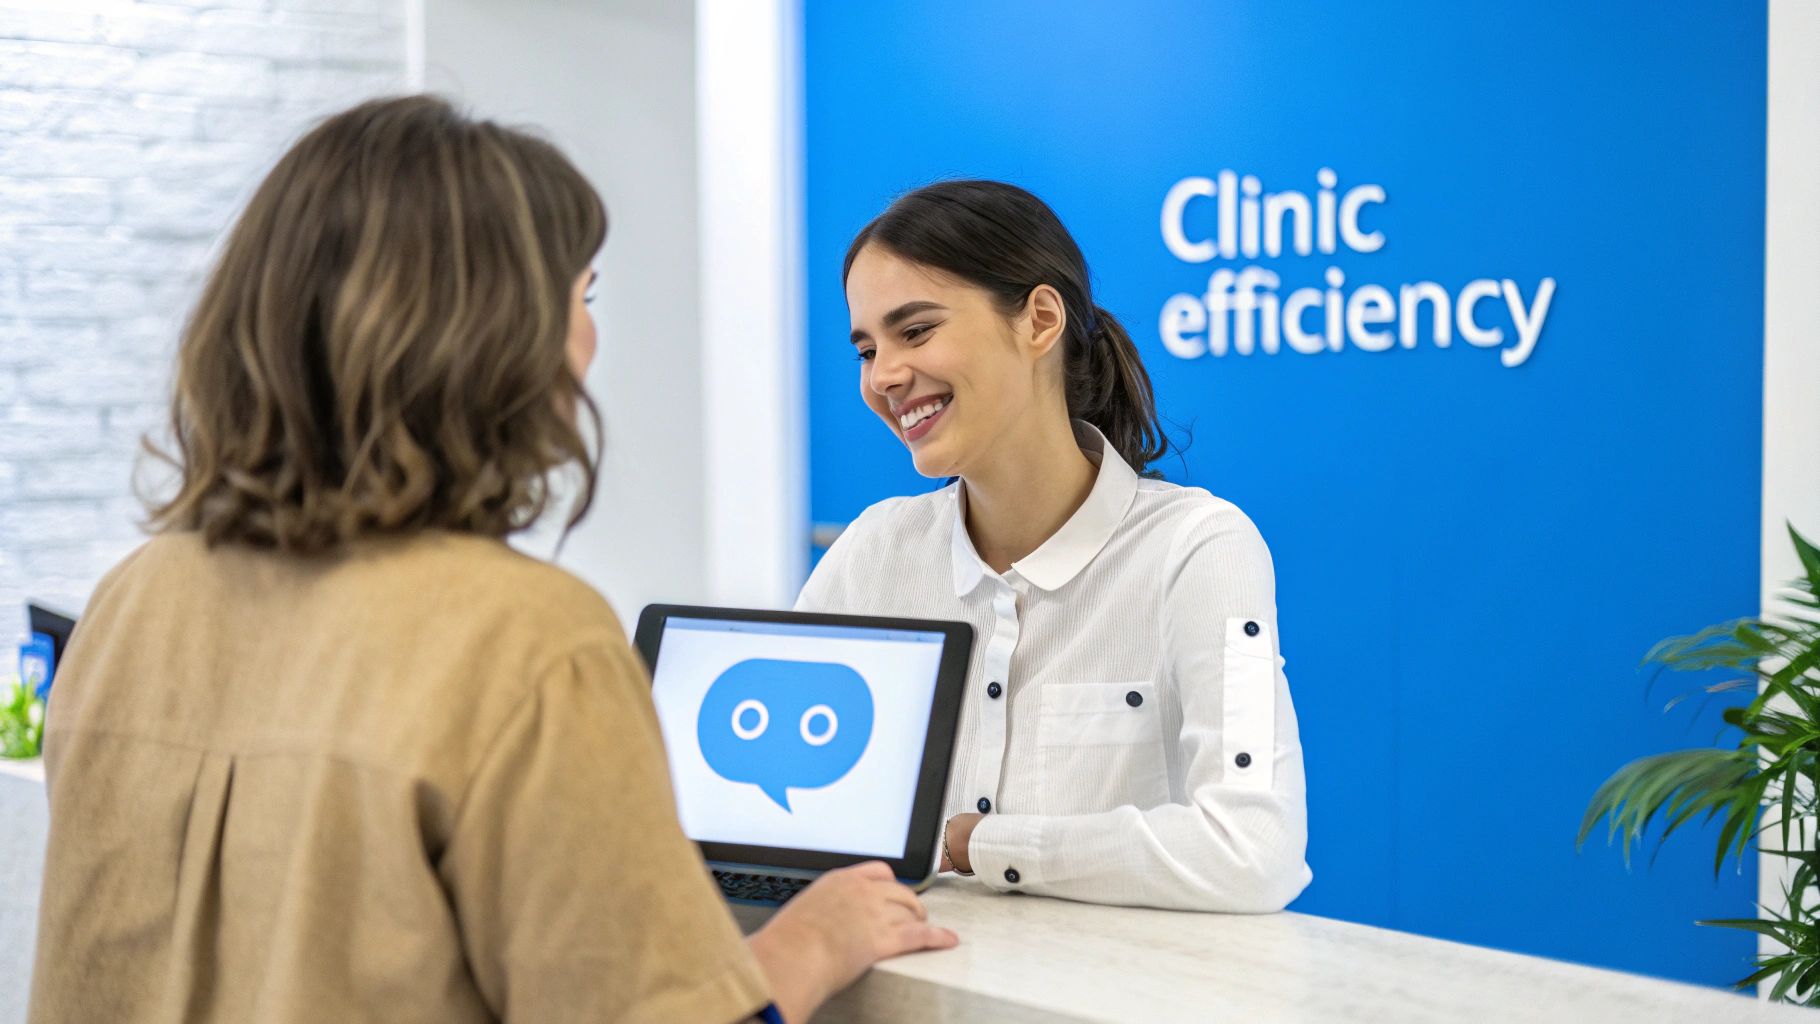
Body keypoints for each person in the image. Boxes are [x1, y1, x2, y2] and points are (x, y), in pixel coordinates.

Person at [27, 95, 955, 1024]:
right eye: (580, 300)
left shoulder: (137, 598)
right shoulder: (528, 641)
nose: (589, 342)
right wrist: (814, 939)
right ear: (492, 336)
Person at [796, 180, 1312, 913]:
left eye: (915, 332)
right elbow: (781, 817)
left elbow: (1254, 847)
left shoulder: (1202, 550)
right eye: (866, 349)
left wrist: (979, 845)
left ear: (1039, 320)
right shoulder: (871, 553)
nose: (883, 376)